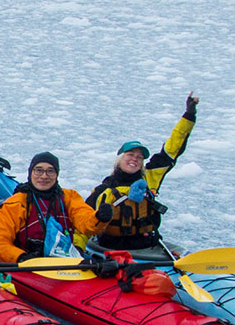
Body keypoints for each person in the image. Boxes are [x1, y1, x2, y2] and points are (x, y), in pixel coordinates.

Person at [84, 94, 198, 252]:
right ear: (119, 159)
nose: (135, 159)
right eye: (130, 155)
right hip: (110, 250)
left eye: (139, 157)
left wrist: (189, 115)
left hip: (146, 248)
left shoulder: (150, 178)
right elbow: (83, 222)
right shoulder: (102, 190)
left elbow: (173, 148)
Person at [0, 152, 104, 264]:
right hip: (26, 264)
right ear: (30, 173)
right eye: (39, 170)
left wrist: (99, 218)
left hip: (66, 261)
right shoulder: (15, 204)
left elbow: (86, 221)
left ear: (57, 175)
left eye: (50, 171)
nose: (44, 176)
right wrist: (22, 258)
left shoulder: (70, 198)